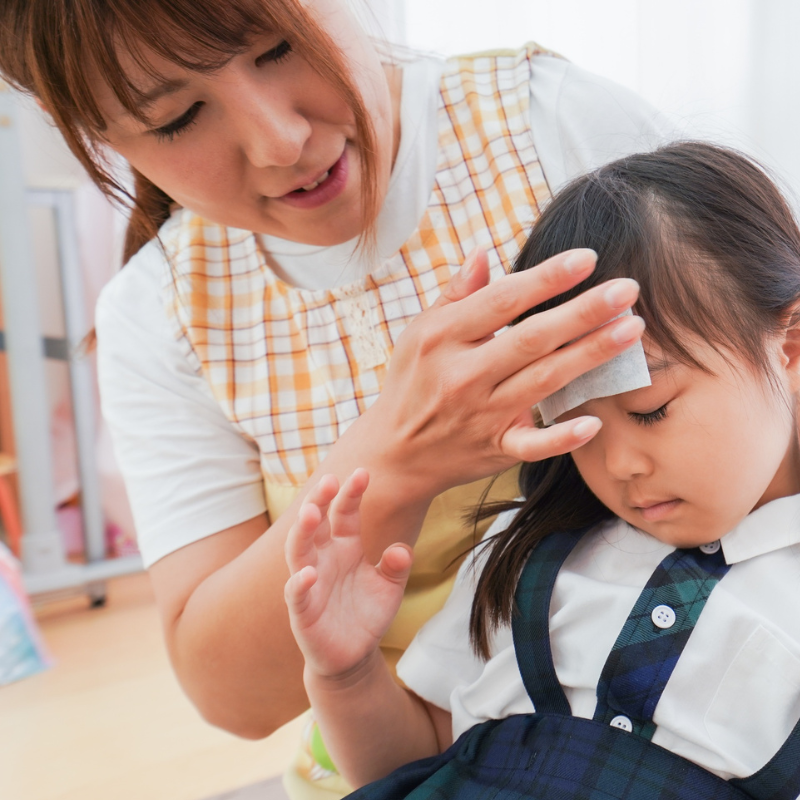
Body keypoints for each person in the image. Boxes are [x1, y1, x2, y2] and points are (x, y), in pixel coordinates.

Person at [0, 1, 670, 796]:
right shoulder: (166, 311)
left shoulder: (550, 128)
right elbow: (231, 693)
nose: (280, 140)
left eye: (281, 47)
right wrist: (394, 460)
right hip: (399, 758)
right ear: (100, 140)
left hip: (672, 724)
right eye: (178, 119)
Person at [285, 142, 800, 799]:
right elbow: (409, 769)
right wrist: (346, 672)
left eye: (648, 411)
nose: (618, 465)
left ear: (789, 344)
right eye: (576, 426)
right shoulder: (526, 561)